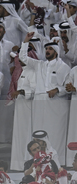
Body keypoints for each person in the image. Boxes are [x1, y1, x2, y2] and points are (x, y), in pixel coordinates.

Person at [20, 33, 71, 166]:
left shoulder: (64, 67)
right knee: (39, 132)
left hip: (56, 105)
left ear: (56, 52)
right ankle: (39, 161)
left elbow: (68, 86)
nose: (47, 51)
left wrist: (58, 90)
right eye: (46, 49)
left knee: (55, 133)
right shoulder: (40, 65)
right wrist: (25, 41)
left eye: (50, 49)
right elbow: (23, 57)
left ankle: (57, 163)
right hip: (39, 103)